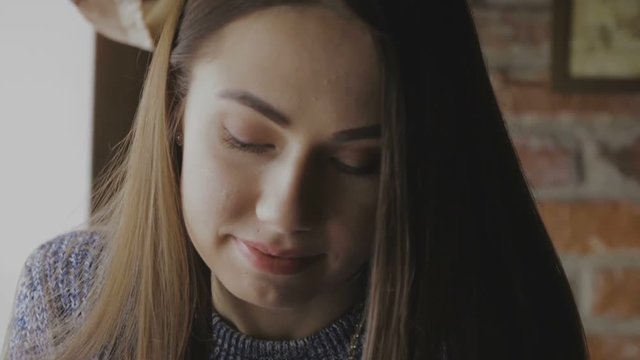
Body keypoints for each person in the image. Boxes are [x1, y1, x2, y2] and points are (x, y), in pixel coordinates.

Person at [2, 0, 589, 359]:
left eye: (357, 163)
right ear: (176, 110)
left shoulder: (489, 332)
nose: (285, 213)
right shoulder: (66, 297)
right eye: (247, 139)